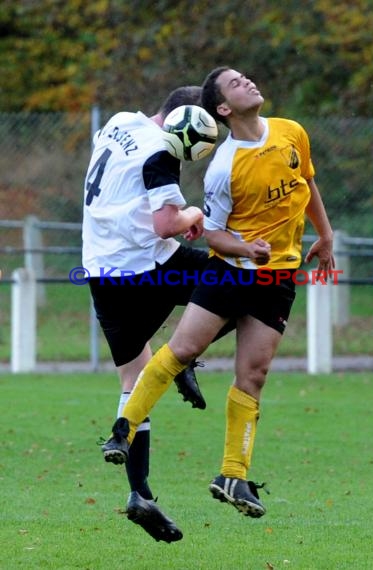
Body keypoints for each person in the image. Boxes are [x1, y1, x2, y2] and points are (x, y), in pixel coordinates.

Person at [101, 66, 335, 523]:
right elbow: (211, 234)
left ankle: (233, 475)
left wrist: (325, 236)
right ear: (223, 109)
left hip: (277, 278)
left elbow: (307, 183)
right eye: (235, 83)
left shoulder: (292, 132)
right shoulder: (224, 166)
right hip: (229, 273)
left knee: (255, 374)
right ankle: (123, 429)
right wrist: (245, 247)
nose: (248, 81)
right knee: (183, 348)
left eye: (246, 77)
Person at [82, 85, 221, 544]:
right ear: (186, 122)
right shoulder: (162, 151)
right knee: (241, 294)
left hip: (101, 269)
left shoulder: (120, 120)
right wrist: (192, 212)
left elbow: (129, 194)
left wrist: (173, 220)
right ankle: (178, 359)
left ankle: (140, 493)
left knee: (135, 382)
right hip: (146, 267)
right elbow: (165, 224)